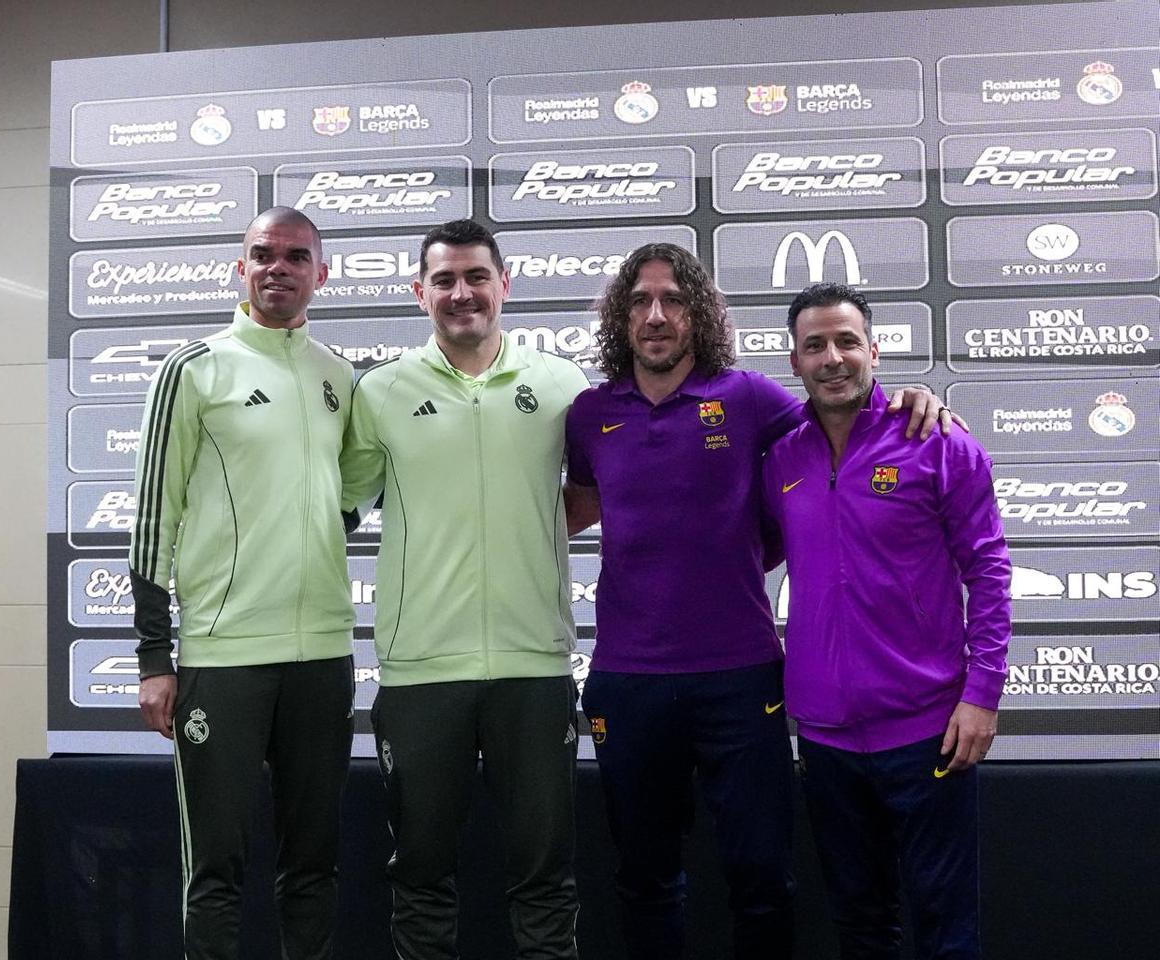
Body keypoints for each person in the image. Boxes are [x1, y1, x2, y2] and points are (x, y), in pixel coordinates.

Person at [563, 245, 952, 960]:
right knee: (644, 881)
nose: (656, 315)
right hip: (627, 679)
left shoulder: (747, 398)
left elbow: (844, 420)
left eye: (674, 300)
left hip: (741, 681)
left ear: (700, 313)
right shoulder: (590, 413)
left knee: (762, 880)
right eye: (640, 301)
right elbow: (573, 508)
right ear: (619, 316)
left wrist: (910, 400)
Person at [340, 218, 589, 960]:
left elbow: (601, 490)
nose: (462, 293)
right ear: (420, 293)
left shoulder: (562, 385)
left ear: (504, 285)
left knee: (545, 877)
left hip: (534, 668)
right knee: (420, 877)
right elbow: (338, 503)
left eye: (476, 276)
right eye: (444, 280)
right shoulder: (380, 392)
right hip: (422, 674)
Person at [129, 207, 357, 960]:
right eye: (263, 254)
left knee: (313, 864)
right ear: (241, 267)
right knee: (217, 870)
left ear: (321, 275)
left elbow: (347, 496)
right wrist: (155, 659)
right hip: (222, 659)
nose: (278, 268)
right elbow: (151, 522)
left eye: (296, 257)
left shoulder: (338, 376)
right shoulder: (194, 369)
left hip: (323, 654)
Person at [762, 282, 1011, 960]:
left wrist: (982, 695)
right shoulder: (781, 458)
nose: (833, 358)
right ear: (795, 362)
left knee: (946, 927)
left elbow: (988, 570)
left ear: (874, 350)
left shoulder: (937, 440)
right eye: (815, 346)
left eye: (847, 341)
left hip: (929, 728)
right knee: (861, 925)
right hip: (825, 736)